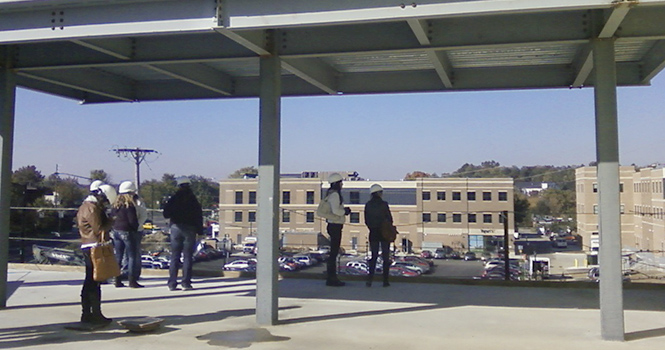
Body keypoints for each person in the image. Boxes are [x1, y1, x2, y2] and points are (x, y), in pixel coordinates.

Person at [77, 183, 116, 325]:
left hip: (89, 245)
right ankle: (92, 314)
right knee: (93, 281)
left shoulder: (87, 206)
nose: (105, 204)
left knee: (91, 281)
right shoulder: (91, 208)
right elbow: (99, 228)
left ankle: (89, 313)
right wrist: (111, 220)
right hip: (93, 246)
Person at [163, 176, 202, 291]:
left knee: (175, 256)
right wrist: (200, 231)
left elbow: (166, 213)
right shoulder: (193, 199)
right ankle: (186, 282)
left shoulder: (174, 198)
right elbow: (198, 216)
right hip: (190, 229)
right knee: (187, 257)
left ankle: (172, 282)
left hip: (176, 228)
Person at [111, 181, 144, 288]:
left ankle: (117, 279)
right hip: (128, 232)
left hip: (116, 231)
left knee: (118, 256)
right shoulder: (129, 205)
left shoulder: (116, 205)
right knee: (132, 256)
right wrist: (136, 229)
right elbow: (132, 221)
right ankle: (132, 281)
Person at [322, 173, 351, 287]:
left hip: (332, 225)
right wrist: (345, 211)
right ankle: (332, 278)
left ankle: (331, 277)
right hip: (335, 225)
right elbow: (336, 211)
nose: (342, 184)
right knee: (333, 253)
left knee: (333, 252)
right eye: (340, 182)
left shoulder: (329, 194)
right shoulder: (335, 195)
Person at [364, 184, 394, 287]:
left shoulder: (368, 205)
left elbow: (366, 220)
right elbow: (390, 219)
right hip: (384, 232)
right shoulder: (384, 204)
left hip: (373, 232)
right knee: (385, 257)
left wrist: (372, 227)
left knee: (374, 256)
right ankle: (385, 281)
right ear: (378, 193)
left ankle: (370, 280)